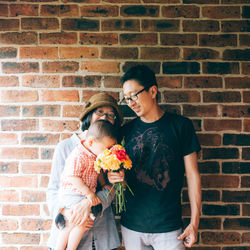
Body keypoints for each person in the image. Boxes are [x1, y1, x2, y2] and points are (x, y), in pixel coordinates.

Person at [117, 65, 201, 250]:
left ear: (153, 91)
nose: (130, 102)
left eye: (134, 95)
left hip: (169, 228)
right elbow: (119, 180)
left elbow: (193, 175)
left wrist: (194, 222)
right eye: (126, 98)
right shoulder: (125, 132)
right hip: (132, 225)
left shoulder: (181, 126)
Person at [47, 92, 124, 250]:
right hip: (68, 232)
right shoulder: (65, 147)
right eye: (100, 112)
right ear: (89, 115)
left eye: (110, 115)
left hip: (102, 238)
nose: (105, 117)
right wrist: (69, 214)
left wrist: (88, 203)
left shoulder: (113, 151)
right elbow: (53, 190)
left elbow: (112, 190)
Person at [55, 120, 118, 250]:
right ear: (91, 142)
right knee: (72, 223)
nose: (108, 152)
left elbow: (98, 172)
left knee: (81, 223)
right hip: (72, 192)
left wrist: (104, 184)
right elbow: (72, 176)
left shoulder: (95, 155)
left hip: (80, 195)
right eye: (107, 148)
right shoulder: (79, 155)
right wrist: (89, 194)